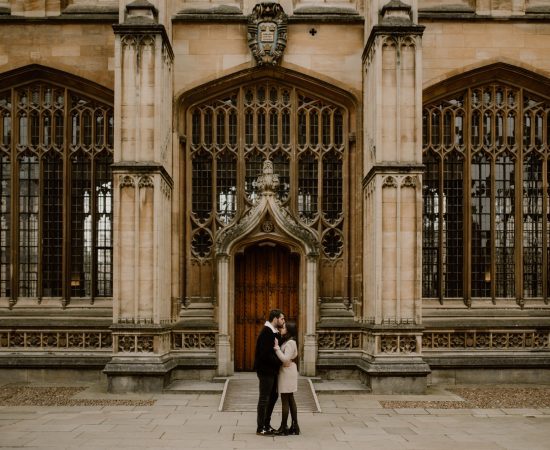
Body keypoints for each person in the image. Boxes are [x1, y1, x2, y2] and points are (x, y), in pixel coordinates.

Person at [254, 309, 285, 436]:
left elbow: (276, 348)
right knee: (264, 398)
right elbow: (265, 355)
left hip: (272, 370)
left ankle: (267, 424)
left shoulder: (273, 332)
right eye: (282, 319)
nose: (283, 321)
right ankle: (260, 427)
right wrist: (279, 362)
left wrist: (281, 334)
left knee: (273, 396)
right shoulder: (266, 332)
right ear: (275, 319)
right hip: (266, 370)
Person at [273, 321, 300, 435]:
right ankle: (295, 426)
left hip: (287, 373)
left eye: (283, 328)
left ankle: (283, 427)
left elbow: (285, 358)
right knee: (290, 399)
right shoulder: (291, 341)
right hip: (289, 371)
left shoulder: (290, 343)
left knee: (285, 399)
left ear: (288, 330)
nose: (281, 329)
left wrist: (277, 348)